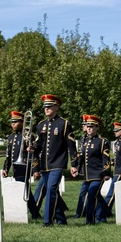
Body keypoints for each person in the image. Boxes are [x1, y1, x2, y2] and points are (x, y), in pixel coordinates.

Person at [30, 94, 78, 225]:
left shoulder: (64, 123)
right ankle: (61, 219)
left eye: (49, 106)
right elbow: (38, 145)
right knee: (53, 191)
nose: (46, 109)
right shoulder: (41, 125)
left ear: (56, 107)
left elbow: (71, 145)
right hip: (44, 164)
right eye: (45, 106)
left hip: (58, 163)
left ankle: (48, 221)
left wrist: (74, 164)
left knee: (51, 189)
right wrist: (32, 148)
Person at [74, 115, 112, 223]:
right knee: (96, 196)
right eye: (88, 126)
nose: (89, 128)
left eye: (92, 126)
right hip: (87, 174)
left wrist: (106, 172)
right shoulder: (85, 141)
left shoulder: (102, 141)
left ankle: (90, 220)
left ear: (97, 128)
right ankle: (103, 215)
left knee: (91, 196)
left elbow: (106, 158)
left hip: (97, 174)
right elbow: (81, 157)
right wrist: (76, 168)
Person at [1, 111, 29, 183]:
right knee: (23, 189)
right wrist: (5, 168)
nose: (13, 124)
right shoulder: (11, 137)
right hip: (15, 168)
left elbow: (32, 153)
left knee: (23, 188)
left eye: (16, 122)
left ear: (22, 122)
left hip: (24, 168)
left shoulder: (27, 135)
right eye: (12, 122)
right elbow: (9, 155)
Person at [73, 122, 90, 218]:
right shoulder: (84, 138)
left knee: (87, 191)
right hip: (85, 169)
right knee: (89, 192)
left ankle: (80, 213)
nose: (83, 126)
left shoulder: (95, 140)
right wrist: (77, 168)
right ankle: (105, 211)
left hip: (93, 171)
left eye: (85, 124)